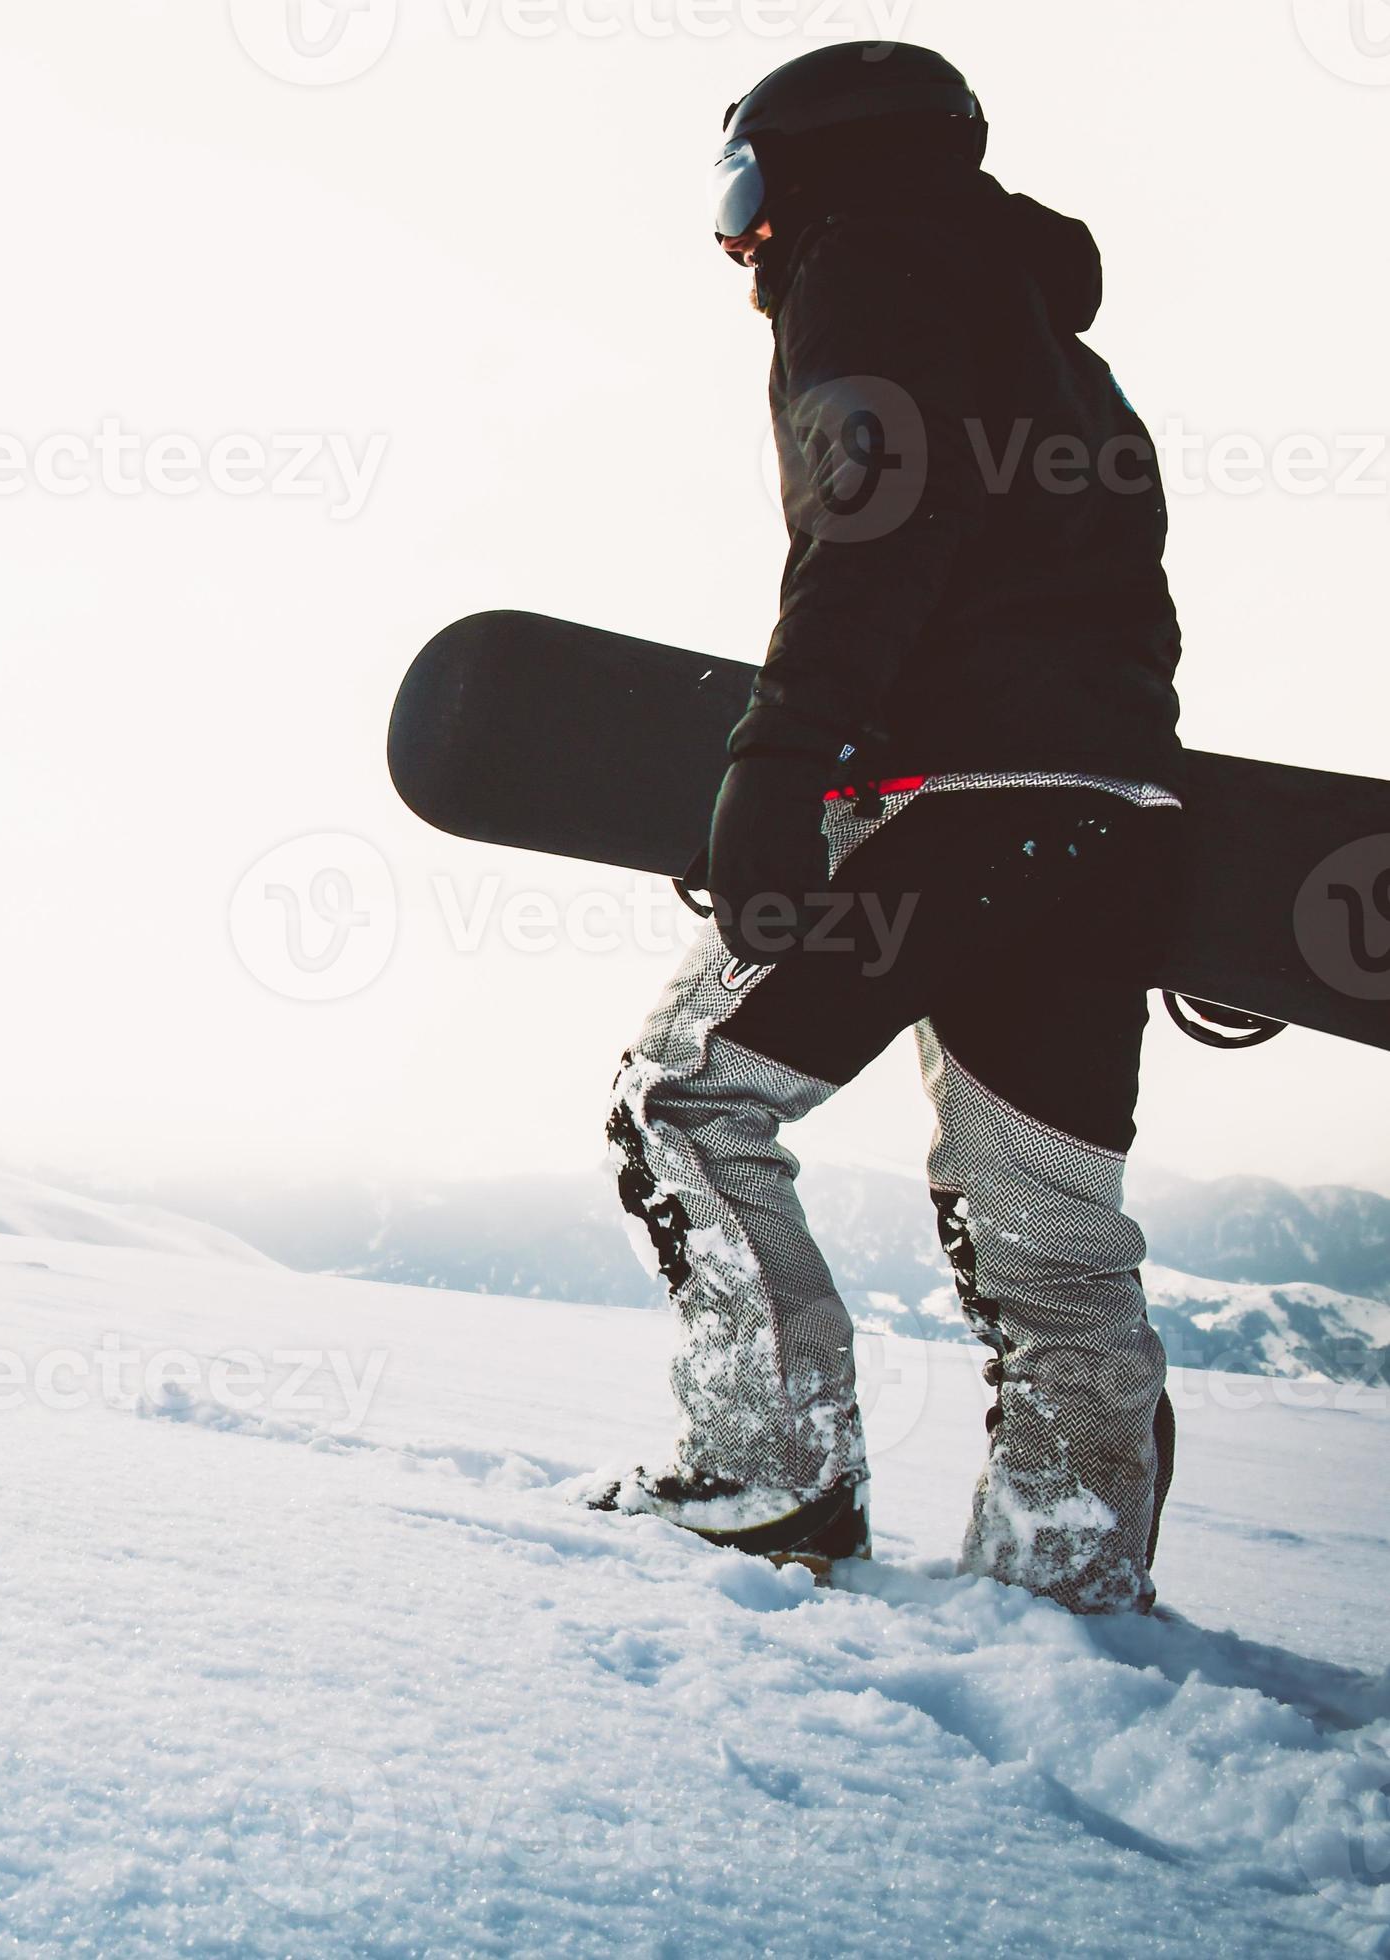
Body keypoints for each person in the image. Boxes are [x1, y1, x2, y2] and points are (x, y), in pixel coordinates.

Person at [585, 42, 1188, 1615]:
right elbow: (1118, 615)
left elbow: (875, 527)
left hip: (939, 807)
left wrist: (784, 761)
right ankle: (1067, 1580)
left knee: (683, 1106)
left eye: (746, 190)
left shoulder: (868, 273)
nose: (741, 243)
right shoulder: (1065, 353)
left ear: (826, 168)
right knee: (1046, 1230)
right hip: (1098, 820)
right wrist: (1145, 829)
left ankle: (774, 1472)